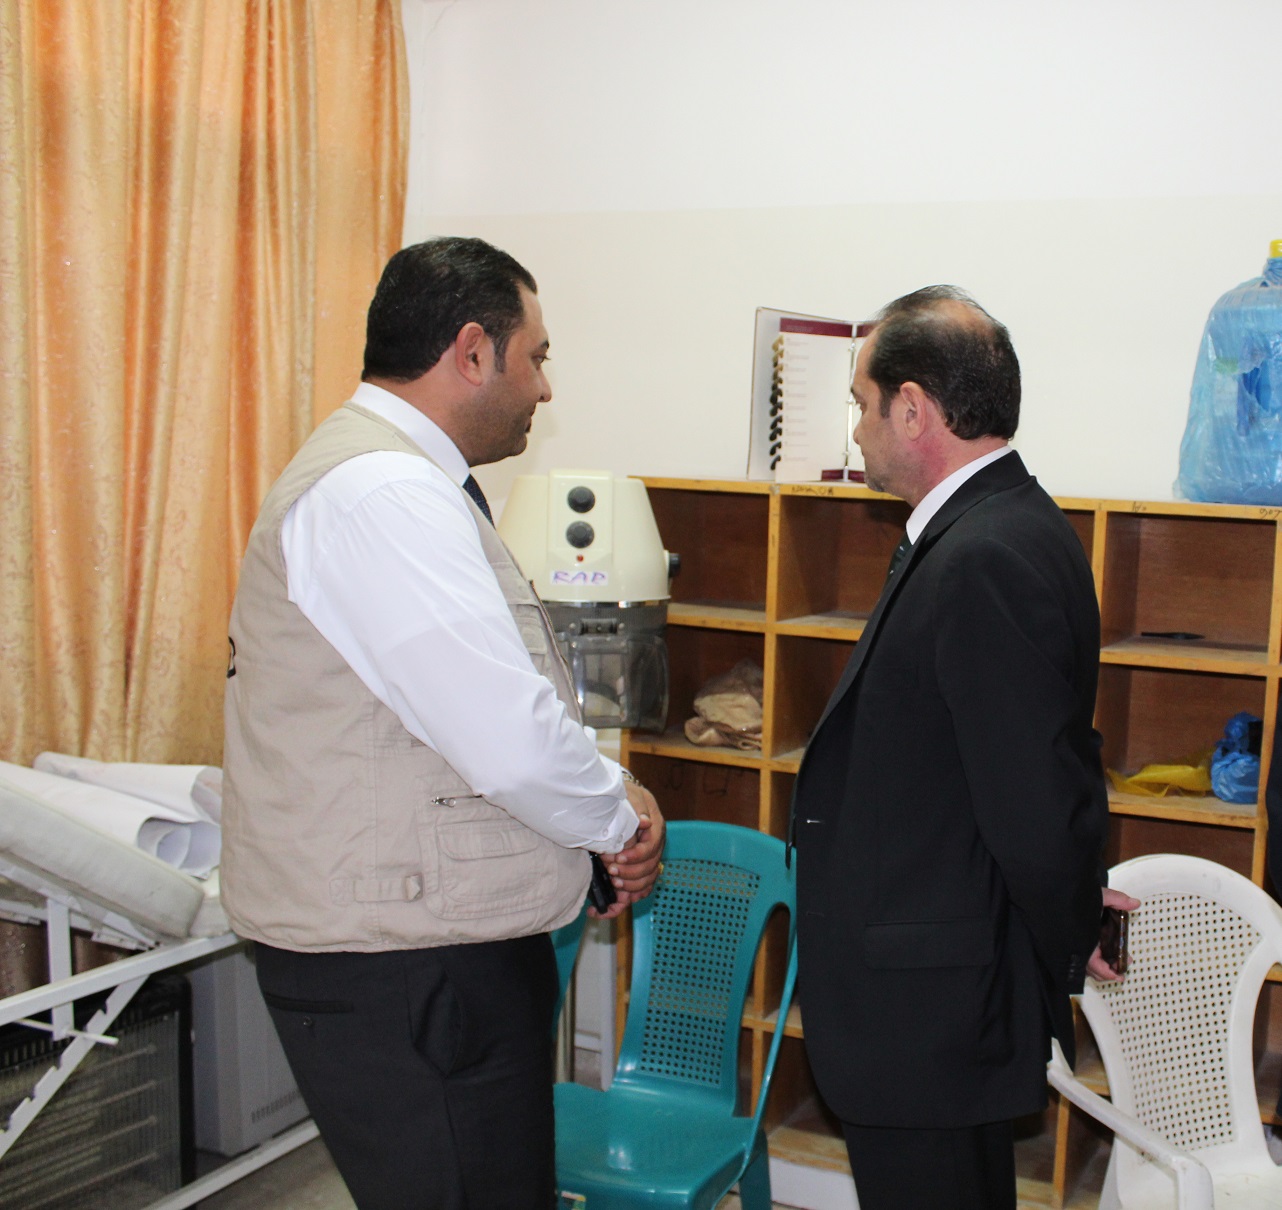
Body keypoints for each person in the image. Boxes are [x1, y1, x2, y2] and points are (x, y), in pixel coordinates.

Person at [220, 236, 665, 1209]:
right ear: (472, 351)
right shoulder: (382, 491)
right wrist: (616, 819)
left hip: (415, 949)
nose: (544, 387)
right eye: (535, 356)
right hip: (412, 968)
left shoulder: (389, 480)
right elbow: (507, 736)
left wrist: (603, 805)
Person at [790, 286, 1133, 1210]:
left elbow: (1033, 790)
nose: (858, 430)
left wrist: (1071, 921)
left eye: (863, 404)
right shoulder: (993, 526)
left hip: (930, 1010)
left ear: (913, 408)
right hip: (939, 990)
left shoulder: (985, 552)